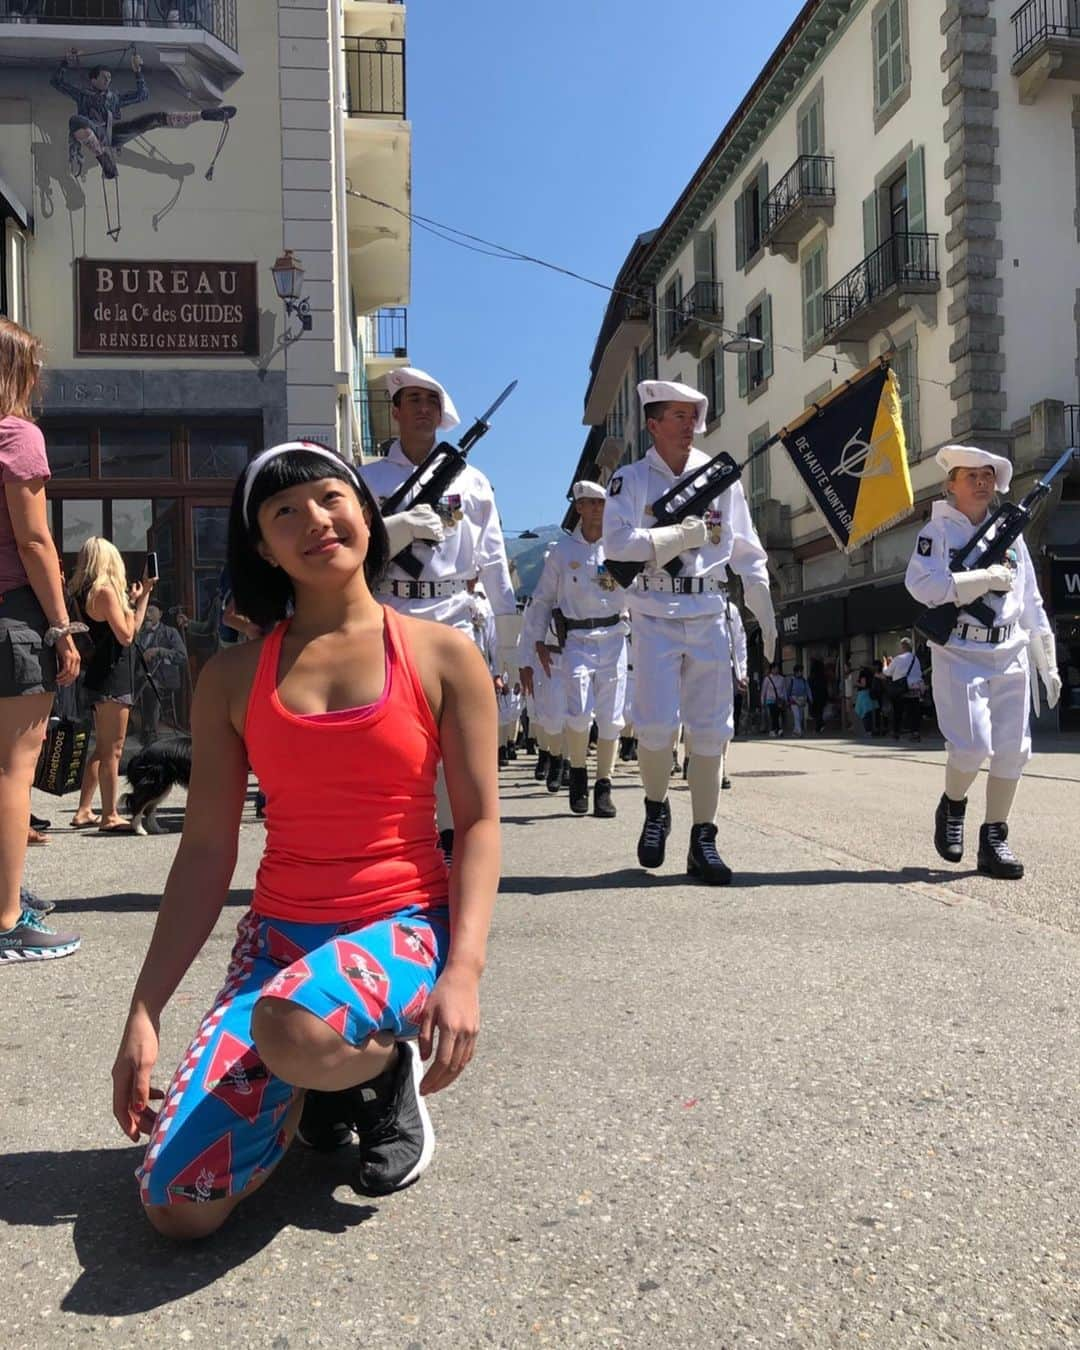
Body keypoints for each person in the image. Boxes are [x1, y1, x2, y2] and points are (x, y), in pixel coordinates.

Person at [111, 442, 499, 1239]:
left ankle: (383, 1067)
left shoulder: (442, 655)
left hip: (401, 929)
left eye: (331, 498)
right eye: (284, 512)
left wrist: (463, 971)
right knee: (177, 1210)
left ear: (365, 509)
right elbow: (207, 849)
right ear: (261, 546)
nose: (315, 521)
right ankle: (315, 1082)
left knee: (293, 1027)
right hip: (280, 947)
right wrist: (144, 1008)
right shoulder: (231, 676)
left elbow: (481, 822)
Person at [603, 379, 777, 885]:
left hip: (708, 609)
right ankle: (656, 809)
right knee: (655, 727)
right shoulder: (631, 481)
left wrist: (762, 607)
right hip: (654, 610)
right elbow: (618, 544)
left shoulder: (720, 478)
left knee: (711, 731)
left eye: (692, 415)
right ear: (653, 424)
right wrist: (679, 533)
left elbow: (747, 550)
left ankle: (705, 837)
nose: (687, 425)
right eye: (676, 416)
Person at [360, 368, 517, 861]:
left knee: (455, 738)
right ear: (396, 411)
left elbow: (493, 558)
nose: (423, 408)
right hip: (390, 606)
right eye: (412, 399)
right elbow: (353, 550)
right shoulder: (368, 479)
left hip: (453, 608)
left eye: (432, 399)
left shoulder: (471, 481)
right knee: (390, 734)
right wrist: (398, 529)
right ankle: (395, 841)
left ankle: (449, 846)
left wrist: (510, 640)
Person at [905, 445, 1061, 879]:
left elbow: (1029, 601)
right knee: (972, 747)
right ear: (950, 484)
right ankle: (953, 805)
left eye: (987, 475)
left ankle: (995, 838)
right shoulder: (936, 534)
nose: (980, 482)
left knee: (1014, 751)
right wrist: (980, 580)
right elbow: (921, 585)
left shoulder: (1009, 533)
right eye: (969, 475)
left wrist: (1045, 658)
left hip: (1008, 650)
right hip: (959, 651)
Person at [0, 318, 82, 961]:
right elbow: (33, 541)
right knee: (12, 771)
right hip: (12, 614)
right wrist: (60, 626)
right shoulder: (16, 435)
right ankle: (7, 922)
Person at [519, 481, 627, 818]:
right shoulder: (563, 552)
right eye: (590, 503)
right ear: (579, 508)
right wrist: (534, 642)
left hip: (614, 637)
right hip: (576, 641)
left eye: (601, 503)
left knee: (611, 717)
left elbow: (640, 589)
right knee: (578, 712)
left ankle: (604, 785)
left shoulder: (620, 546)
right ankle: (578, 772)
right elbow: (542, 601)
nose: (597, 509)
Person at [70, 538, 154, 832]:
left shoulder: (85, 593)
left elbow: (132, 628)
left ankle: (83, 810)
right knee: (113, 750)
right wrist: (129, 604)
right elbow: (127, 637)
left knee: (103, 747)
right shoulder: (105, 591)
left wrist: (143, 596)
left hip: (102, 675)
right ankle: (109, 815)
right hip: (113, 678)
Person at [136, 602, 188, 745]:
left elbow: (182, 656)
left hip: (165, 677)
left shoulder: (170, 632)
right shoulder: (139, 634)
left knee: (150, 687)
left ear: (160, 614)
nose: (147, 615)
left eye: (151, 611)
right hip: (142, 676)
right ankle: (127, 726)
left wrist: (159, 651)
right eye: (145, 612)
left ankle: (150, 732)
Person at [719, 594, 748, 791]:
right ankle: (692, 760)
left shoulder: (730, 609)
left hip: (725, 668)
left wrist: (742, 673)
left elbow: (739, 642)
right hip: (695, 665)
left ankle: (720, 768)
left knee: (725, 720)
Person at [886, 637, 923, 741]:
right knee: (914, 712)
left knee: (898, 711)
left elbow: (888, 672)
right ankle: (915, 732)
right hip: (914, 688)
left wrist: (886, 664)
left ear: (902, 647)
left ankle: (896, 732)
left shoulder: (898, 659)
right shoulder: (916, 659)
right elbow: (919, 673)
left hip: (901, 688)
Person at [762, 662, 786, 737]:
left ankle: (775, 730)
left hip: (779, 700)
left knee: (777, 714)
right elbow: (764, 691)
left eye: (777, 668)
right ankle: (776, 730)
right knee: (773, 714)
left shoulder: (782, 678)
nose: (776, 670)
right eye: (774, 668)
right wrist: (762, 701)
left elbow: (784, 689)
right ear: (771, 669)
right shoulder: (767, 679)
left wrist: (785, 699)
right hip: (770, 700)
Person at [787, 664, 810, 736]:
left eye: (801, 671)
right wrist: (787, 699)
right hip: (793, 700)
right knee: (796, 716)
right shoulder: (792, 680)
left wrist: (809, 698)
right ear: (795, 672)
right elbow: (788, 691)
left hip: (802, 699)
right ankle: (799, 731)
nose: (800, 673)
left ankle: (795, 731)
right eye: (799, 671)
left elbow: (807, 689)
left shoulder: (803, 680)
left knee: (800, 717)